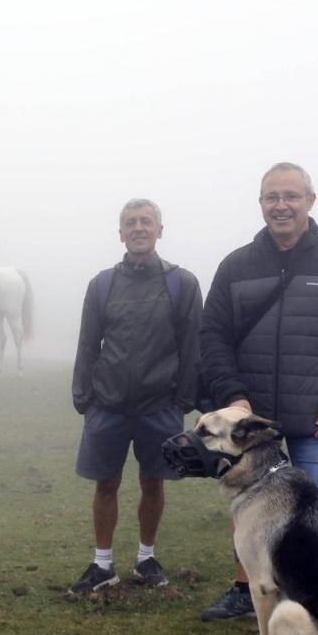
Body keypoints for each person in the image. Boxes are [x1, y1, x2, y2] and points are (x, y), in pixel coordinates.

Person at [197, 162, 318, 621]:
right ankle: (246, 592)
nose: (281, 206)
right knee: (246, 507)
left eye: (291, 196)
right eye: (271, 197)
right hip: (252, 420)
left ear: (310, 200)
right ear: (260, 203)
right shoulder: (236, 265)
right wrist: (232, 396)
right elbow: (213, 336)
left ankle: (308, 592)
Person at [69, 199, 202, 592]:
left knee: (152, 483)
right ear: (121, 233)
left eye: (146, 221)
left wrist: (182, 401)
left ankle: (146, 558)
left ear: (161, 230)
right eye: (130, 222)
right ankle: (102, 564)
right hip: (107, 405)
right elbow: (88, 344)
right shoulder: (102, 284)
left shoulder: (182, 283)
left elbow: (193, 345)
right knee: (105, 484)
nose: (138, 228)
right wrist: (84, 398)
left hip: (160, 406)